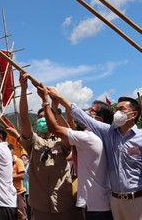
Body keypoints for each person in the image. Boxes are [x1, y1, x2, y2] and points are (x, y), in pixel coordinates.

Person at [69, 91, 142, 220]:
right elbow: (83, 117)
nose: (117, 113)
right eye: (116, 109)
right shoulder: (109, 134)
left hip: (139, 201)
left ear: (133, 114)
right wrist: (58, 98)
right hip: (115, 202)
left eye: (121, 109)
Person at [43, 86, 113, 220]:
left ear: (99, 120)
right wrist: (56, 108)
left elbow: (55, 128)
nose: (87, 112)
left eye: (91, 111)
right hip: (98, 204)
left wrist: (45, 101)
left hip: (97, 207)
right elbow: (69, 129)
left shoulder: (90, 138)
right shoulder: (100, 137)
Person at [15, 73, 78, 219]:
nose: (42, 120)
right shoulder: (33, 141)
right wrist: (23, 89)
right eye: (39, 118)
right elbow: (24, 117)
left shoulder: (62, 140)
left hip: (65, 205)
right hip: (40, 208)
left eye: (45, 117)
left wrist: (49, 103)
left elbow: (68, 131)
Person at [10, 145, 28, 220]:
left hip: (18, 193)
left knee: (22, 216)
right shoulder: (4, 162)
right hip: (8, 194)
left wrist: (9, 177)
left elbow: (22, 176)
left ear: (13, 150)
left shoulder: (18, 161)